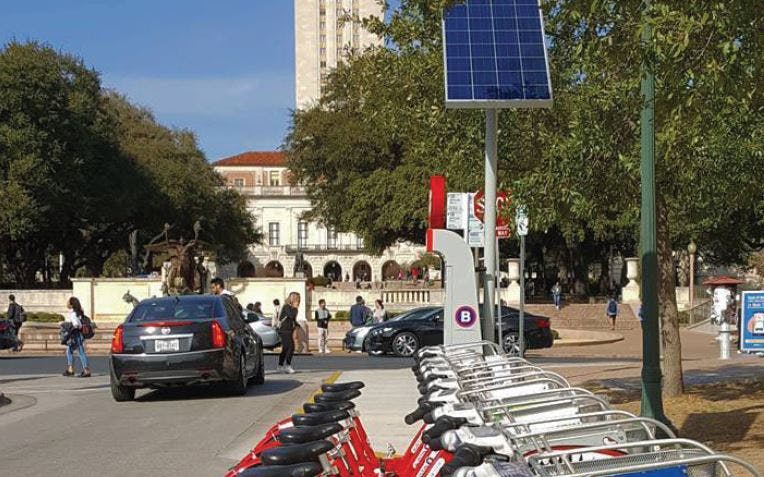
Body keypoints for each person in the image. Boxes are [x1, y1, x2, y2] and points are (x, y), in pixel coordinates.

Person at [61, 297, 91, 377]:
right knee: (70, 351)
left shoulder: (73, 314)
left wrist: (70, 328)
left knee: (80, 352)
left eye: (68, 302)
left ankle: (85, 370)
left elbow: (76, 324)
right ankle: (70, 369)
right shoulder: (79, 312)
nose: (67, 303)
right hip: (79, 334)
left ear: (71, 304)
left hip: (75, 334)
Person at [277, 292, 300, 373]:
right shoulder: (286, 306)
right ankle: (287, 365)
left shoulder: (293, 308)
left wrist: (297, 325)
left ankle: (280, 365)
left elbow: (293, 319)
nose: (298, 301)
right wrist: (295, 308)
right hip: (284, 330)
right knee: (291, 347)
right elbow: (291, 315)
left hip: (289, 330)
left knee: (285, 348)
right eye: (296, 298)